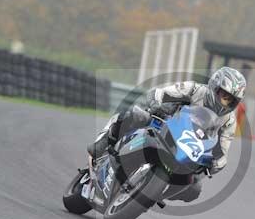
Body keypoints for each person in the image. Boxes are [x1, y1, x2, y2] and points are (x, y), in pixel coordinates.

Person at [87, 67, 246, 202]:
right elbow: (161, 93)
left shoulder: (229, 120)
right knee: (134, 115)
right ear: (214, 86)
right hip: (164, 124)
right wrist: (157, 101)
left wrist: (217, 162)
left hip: (190, 149)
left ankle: (155, 194)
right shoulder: (194, 89)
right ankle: (103, 144)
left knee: (195, 188)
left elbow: (223, 149)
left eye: (230, 100)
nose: (225, 102)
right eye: (223, 95)